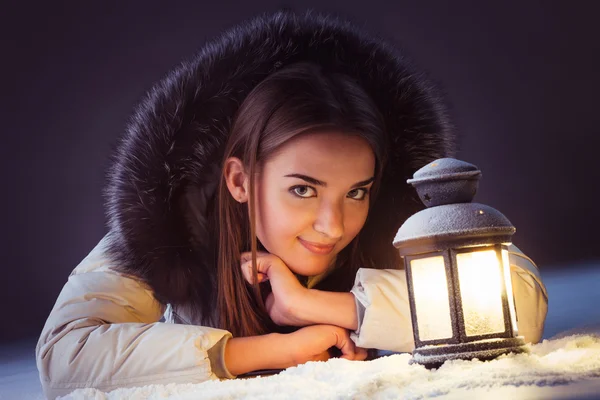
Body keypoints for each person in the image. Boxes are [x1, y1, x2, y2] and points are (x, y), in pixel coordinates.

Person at [35, 9, 548, 399]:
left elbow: (518, 302)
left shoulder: (397, 222)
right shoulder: (170, 229)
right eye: (302, 189)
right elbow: (64, 355)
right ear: (238, 179)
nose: (333, 224)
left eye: (356, 191)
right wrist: (272, 350)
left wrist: (321, 306)